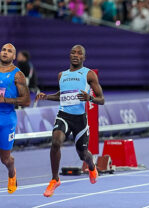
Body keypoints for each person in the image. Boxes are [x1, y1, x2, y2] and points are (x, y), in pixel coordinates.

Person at [36, 45, 105, 197]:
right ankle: (55, 179)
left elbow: (102, 100)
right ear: (69, 55)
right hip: (64, 115)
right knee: (55, 142)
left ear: (83, 58)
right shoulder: (62, 75)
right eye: (73, 52)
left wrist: (90, 98)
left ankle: (92, 166)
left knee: (83, 154)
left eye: (79, 53)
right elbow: (62, 95)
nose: (75, 55)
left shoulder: (89, 74)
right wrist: (46, 96)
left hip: (80, 120)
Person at [0, 43, 31, 194]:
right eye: (4, 50)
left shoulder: (18, 74)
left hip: (6, 119)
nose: (5, 52)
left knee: (5, 159)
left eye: (9, 51)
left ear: (13, 57)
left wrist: (5, 100)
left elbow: (26, 101)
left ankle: (12, 173)